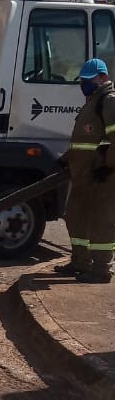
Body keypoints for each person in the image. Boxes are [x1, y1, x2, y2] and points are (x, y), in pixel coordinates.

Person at [58, 57, 115, 283]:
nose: (84, 84)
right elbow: (85, 142)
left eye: (88, 80)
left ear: (103, 78)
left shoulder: (108, 102)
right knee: (75, 216)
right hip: (83, 177)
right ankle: (80, 262)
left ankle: (101, 270)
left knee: (101, 222)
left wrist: (108, 168)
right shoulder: (93, 101)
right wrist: (65, 160)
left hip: (103, 178)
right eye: (82, 80)